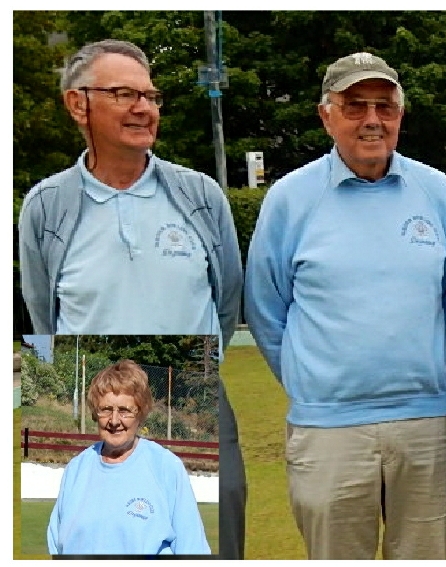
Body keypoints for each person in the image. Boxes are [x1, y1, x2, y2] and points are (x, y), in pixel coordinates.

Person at [17, 39, 246, 560]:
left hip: (197, 394)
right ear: (78, 104)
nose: (144, 108)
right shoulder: (45, 206)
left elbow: (227, 300)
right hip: (94, 405)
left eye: (151, 95)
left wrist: (196, 371)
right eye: (124, 94)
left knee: (212, 544)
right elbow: (43, 313)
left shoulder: (201, 196)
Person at [244, 52, 446, 559]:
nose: (371, 120)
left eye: (384, 107)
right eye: (355, 106)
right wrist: (314, 381)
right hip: (328, 429)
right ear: (326, 116)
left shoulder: (437, 193)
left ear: (400, 116)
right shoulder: (290, 198)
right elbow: (265, 308)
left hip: (426, 424)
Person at [47, 360, 210, 556]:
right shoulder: (76, 469)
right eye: (106, 409)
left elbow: (192, 548)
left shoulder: (166, 467)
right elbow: (56, 544)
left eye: (124, 411)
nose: (114, 421)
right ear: (95, 413)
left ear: (140, 414)